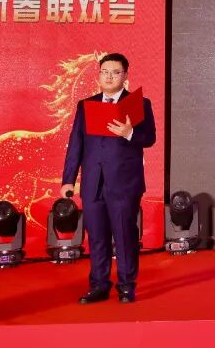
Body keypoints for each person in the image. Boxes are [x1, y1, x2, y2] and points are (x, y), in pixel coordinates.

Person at [60, 53, 156, 304]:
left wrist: (129, 133)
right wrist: (68, 180)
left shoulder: (140, 104)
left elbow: (150, 138)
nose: (109, 77)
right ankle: (99, 285)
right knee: (97, 236)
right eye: (105, 72)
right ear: (99, 75)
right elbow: (76, 144)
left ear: (125, 76)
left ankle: (126, 286)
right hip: (93, 183)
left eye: (115, 72)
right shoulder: (86, 105)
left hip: (124, 184)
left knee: (124, 235)